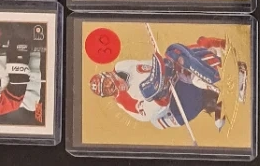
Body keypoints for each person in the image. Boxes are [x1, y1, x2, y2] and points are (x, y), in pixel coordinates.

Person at [90, 36, 226, 130]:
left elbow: (151, 67)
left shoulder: (122, 66)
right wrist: (161, 94)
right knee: (154, 90)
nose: (110, 87)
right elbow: (148, 115)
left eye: (107, 82)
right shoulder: (124, 101)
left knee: (175, 53)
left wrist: (166, 68)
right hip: (176, 109)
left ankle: (211, 51)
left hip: (174, 85)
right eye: (107, 91)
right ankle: (213, 85)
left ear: (109, 74)